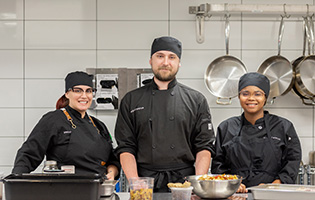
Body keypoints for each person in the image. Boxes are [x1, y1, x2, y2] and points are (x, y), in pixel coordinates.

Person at [114, 36, 215, 192]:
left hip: (184, 183)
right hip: (144, 181)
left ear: (179, 63)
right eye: (160, 56)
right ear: (151, 60)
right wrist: (136, 183)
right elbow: (126, 147)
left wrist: (197, 183)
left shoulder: (196, 100)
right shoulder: (131, 100)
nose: (165, 62)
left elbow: (204, 147)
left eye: (171, 57)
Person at [12, 71, 120, 180]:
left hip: (97, 190)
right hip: (64, 189)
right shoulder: (54, 120)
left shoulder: (99, 126)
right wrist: (15, 183)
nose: (84, 96)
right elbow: (29, 154)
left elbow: (112, 160)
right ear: (67, 94)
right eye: (78, 91)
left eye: (89, 91)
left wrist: (111, 173)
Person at [211, 72, 302, 193]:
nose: (251, 98)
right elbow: (218, 164)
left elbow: (293, 160)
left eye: (257, 94)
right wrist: (230, 184)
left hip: (272, 195)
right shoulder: (226, 127)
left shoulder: (283, 126)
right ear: (239, 96)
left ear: (265, 97)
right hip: (236, 195)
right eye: (245, 94)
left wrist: (277, 184)